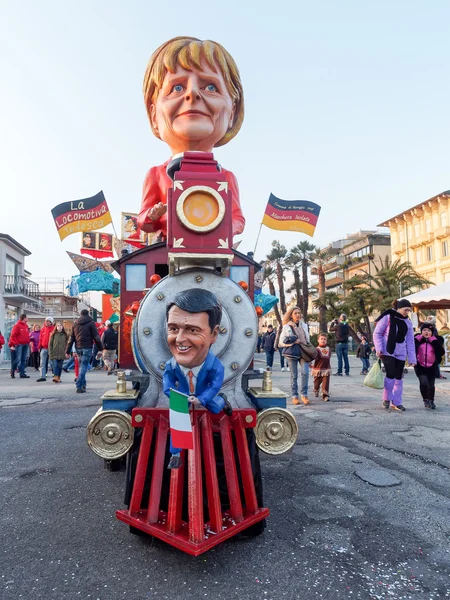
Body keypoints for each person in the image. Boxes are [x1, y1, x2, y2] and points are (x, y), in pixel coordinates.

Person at [138, 36, 245, 240]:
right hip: (167, 251)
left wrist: (222, 229)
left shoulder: (227, 177)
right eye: (177, 87)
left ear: (231, 112)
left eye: (210, 87)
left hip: (215, 250)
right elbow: (143, 221)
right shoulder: (155, 175)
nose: (192, 93)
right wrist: (153, 215)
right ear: (154, 115)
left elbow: (238, 218)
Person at [163, 288, 231, 468]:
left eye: (193, 330)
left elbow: (215, 385)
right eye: (173, 328)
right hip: (183, 395)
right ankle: (175, 455)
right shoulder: (171, 364)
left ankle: (222, 402)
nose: (179, 339)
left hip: (203, 395)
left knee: (215, 408)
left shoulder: (215, 365)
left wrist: (202, 398)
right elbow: (167, 381)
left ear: (214, 334)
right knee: (177, 421)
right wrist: (173, 394)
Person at [373, 299, 416, 411]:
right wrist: (379, 348)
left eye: (409, 310)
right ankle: (386, 398)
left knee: (399, 377)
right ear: (399, 308)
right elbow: (377, 333)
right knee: (390, 374)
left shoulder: (408, 322)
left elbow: (410, 341)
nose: (407, 312)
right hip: (388, 351)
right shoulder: (388, 317)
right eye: (405, 309)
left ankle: (397, 402)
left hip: (401, 352)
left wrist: (412, 358)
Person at [66, 309, 103, 393]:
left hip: (78, 348)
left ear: (80, 314)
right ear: (88, 314)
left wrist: (68, 351)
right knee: (84, 366)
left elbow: (71, 338)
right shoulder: (91, 323)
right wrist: (101, 348)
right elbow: (96, 337)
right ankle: (79, 385)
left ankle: (83, 384)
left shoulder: (75, 324)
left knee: (82, 366)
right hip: (87, 347)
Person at [279, 306, 310, 405]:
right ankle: (295, 396)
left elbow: (307, 339)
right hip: (292, 352)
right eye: (295, 313)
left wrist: (309, 348)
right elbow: (281, 342)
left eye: (299, 313)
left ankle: (304, 395)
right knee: (294, 375)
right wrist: (293, 342)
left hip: (303, 351)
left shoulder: (304, 325)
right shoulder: (286, 327)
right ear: (291, 315)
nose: (298, 315)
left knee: (305, 372)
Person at [414, 323, 444, 409]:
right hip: (420, 365)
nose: (426, 332)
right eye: (424, 330)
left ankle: (431, 400)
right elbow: (412, 350)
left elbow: (441, 352)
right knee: (423, 382)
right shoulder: (417, 339)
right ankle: (425, 400)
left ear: (432, 332)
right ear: (421, 331)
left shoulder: (437, 340)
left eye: (428, 330)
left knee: (431, 385)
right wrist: (416, 340)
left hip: (432, 366)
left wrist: (433, 341)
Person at [8, 314, 31, 378]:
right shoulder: (17, 326)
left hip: (25, 344)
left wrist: (28, 341)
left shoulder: (26, 326)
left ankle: (22, 373)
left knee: (24, 359)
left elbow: (26, 334)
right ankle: (12, 371)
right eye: (27, 317)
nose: (27, 319)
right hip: (19, 344)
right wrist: (16, 343)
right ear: (24, 318)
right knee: (18, 359)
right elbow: (13, 335)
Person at [311, 333, 332, 402]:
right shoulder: (316, 349)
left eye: (325, 339)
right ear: (318, 340)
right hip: (318, 369)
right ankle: (316, 389)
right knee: (317, 382)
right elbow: (312, 357)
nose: (323, 340)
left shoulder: (328, 349)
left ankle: (325, 395)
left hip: (326, 369)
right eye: (321, 339)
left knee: (326, 382)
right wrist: (309, 363)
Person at [37, 317, 55, 382]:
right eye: (46, 321)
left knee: (52, 363)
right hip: (44, 348)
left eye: (48, 321)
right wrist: (39, 347)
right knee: (42, 363)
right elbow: (40, 339)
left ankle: (56, 376)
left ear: (51, 322)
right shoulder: (43, 329)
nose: (46, 322)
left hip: (51, 349)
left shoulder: (54, 329)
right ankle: (42, 376)